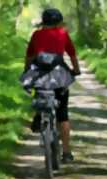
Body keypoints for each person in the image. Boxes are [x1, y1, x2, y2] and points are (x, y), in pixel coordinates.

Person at [24, 8, 81, 163]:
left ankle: (38, 115)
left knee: (37, 92)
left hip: (40, 75)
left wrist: (27, 71)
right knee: (63, 115)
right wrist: (76, 71)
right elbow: (73, 55)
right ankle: (67, 152)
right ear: (58, 22)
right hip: (59, 77)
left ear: (44, 22)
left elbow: (29, 57)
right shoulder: (63, 34)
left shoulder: (36, 35)